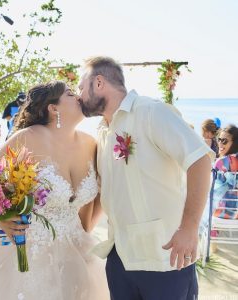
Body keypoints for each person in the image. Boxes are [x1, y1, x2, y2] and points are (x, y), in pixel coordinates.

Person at [0, 81, 109, 300]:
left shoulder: (91, 143)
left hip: (78, 250)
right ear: (53, 107)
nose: (78, 97)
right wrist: (1, 217)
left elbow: (87, 218)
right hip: (28, 249)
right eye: (70, 94)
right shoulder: (26, 138)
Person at [78, 56, 214, 300]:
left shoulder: (151, 111)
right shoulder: (102, 131)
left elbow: (201, 161)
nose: (78, 95)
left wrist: (190, 228)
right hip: (120, 260)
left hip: (164, 257)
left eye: (80, 86)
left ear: (99, 83)